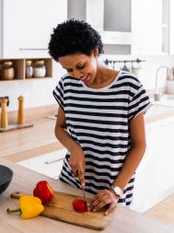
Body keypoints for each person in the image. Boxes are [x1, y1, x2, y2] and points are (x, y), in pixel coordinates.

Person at [48, 19, 151, 215]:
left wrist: (116, 190)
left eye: (80, 66)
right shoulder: (66, 85)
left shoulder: (129, 87)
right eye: (69, 70)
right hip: (71, 184)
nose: (76, 74)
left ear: (94, 52)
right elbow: (59, 128)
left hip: (111, 194)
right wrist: (74, 148)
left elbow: (140, 145)